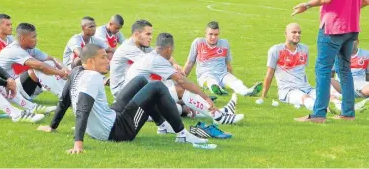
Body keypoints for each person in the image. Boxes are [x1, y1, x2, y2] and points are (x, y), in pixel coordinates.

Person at [37, 44, 207, 154]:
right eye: (103, 57)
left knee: (141, 80)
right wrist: (78, 144)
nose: (108, 61)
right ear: (90, 61)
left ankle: (163, 126)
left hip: (104, 123)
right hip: (118, 131)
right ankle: (182, 134)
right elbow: (82, 108)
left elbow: (64, 101)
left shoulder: (76, 72)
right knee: (157, 87)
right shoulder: (93, 77)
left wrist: (52, 126)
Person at [292, 0, 369, 122]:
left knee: (323, 69)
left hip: (332, 27)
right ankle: (347, 113)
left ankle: (318, 113)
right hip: (352, 28)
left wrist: (307, 5)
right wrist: (349, 8)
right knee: (345, 70)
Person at [124, 32, 243, 125]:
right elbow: (182, 82)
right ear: (169, 48)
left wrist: (188, 102)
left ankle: (221, 112)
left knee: (182, 107)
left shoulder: (151, 57)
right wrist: (206, 97)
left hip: (136, 105)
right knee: (181, 89)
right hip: (138, 109)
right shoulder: (157, 60)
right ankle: (218, 117)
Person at [256, 23, 365, 113]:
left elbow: (302, 72)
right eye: (294, 32)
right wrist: (263, 96)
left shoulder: (304, 49)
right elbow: (269, 73)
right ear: (285, 34)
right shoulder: (276, 50)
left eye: (299, 32)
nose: (297, 35)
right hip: (288, 90)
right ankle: (322, 111)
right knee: (305, 98)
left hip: (306, 87)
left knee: (329, 96)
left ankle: (344, 109)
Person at [183, 21, 262, 96]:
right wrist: (181, 80)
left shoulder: (224, 43)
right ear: (205, 33)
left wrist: (232, 77)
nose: (213, 37)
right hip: (205, 75)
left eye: (216, 34)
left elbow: (228, 64)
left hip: (222, 74)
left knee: (235, 82)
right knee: (211, 82)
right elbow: (190, 63)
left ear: (219, 34)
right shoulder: (198, 43)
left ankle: (247, 91)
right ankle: (216, 89)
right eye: (210, 34)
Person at [0, 23, 68, 102]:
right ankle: (65, 98)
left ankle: (69, 93)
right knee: (37, 70)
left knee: (49, 63)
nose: (37, 39)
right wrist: (61, 73)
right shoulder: (15, 50)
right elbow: (40, 66)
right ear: (23, 38)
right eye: (33, 37)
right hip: (6, 91)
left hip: (18, 87)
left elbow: (52, 58)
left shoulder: (29, 48)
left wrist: (64, 69)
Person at [110, 20, 183, 98]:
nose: (151, 37)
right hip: (122, 89)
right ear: (137, 34)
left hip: (134, 84)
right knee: (174, 88)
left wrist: (175, 64)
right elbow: (154, 63)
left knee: (170, 84)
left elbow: (159, 54)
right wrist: (173, 73)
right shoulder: (128, 48)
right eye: (148, 34)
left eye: (151, 34)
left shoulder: (141, 45)